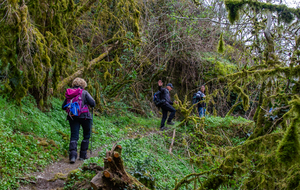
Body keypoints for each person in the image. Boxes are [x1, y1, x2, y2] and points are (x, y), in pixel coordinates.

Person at [62, 78, 95, 164]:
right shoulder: (84, 92)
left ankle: (72, 156)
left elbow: (63, 106)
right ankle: (82, 156)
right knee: (86, 135)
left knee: (74, 135)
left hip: (73, 116)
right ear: (83, 85)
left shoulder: (70, 93)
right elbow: (93, 103)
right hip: (84, 116)